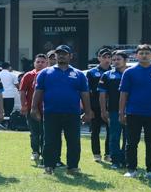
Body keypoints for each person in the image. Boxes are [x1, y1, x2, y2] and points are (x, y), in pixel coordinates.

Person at [32, 45, 92, 175]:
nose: (61, 56)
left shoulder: (79, 74)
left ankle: (72, 167)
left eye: (64, 53)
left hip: (72, 113)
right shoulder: (45, 73)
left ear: (70, 56)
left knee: (73, 141)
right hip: (51, 112)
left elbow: (85, 94)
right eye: (58, 54)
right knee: (50, 140)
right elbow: (38, 91)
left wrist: (88, 111)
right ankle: (49, 166)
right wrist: (34, 108)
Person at [119, 43, 151, 180]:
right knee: (131, 143)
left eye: (147, 53)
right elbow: (123, 94)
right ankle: (131, 169)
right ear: (136, 56)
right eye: (141, 53)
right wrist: (121, 112)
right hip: (133, 112)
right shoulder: (129, 72)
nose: (144, 55)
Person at [98, 50, 129, 169]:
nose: (115, 62)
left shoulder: (131, 74)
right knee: (114, 136)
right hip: (113, 111)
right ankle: (115, 161)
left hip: (131, 110)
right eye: (114, 59)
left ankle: (126, 160)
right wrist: (103, 110)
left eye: (118, 59)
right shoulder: (107, 75)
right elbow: (102, 95)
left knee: (129, 137)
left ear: (125, 60)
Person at [19, 53, 50, 163]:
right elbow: (22, 91)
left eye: (43, 62)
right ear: (34, 63)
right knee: (35, 132)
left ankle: (45, 153)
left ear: (47, 63)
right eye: (38, 62)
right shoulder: (28, 75)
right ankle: (35, 152)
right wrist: (24, 105)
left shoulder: (50, 75)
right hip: (32, 109)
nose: (40, 64)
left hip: (48, 109)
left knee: (46, 133)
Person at [85, 47, 113, 162]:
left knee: (111, 131)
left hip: (111, 107)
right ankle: (96, 154)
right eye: (104, 57)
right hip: (95, 106)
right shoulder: (92, 73)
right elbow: (86, 92)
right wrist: (88, 109)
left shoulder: (114, 72)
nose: (106, 60)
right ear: (99, 58)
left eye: (108, 57)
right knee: (95, 131)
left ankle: (108, 154)